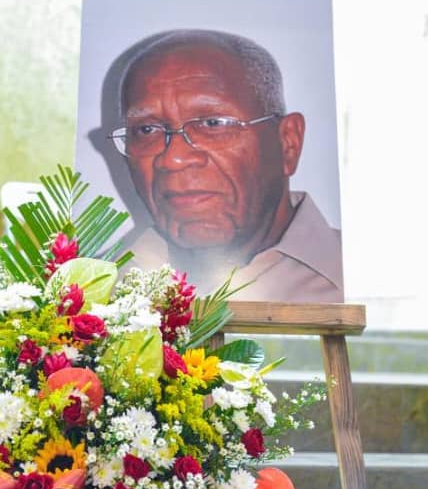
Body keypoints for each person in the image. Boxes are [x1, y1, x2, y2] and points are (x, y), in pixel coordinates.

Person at [108, 29, 342, 303]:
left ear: (288, 143)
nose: (173, 159)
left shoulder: (365, 278)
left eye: (213, 124)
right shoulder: (92, 297)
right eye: (147, 130)